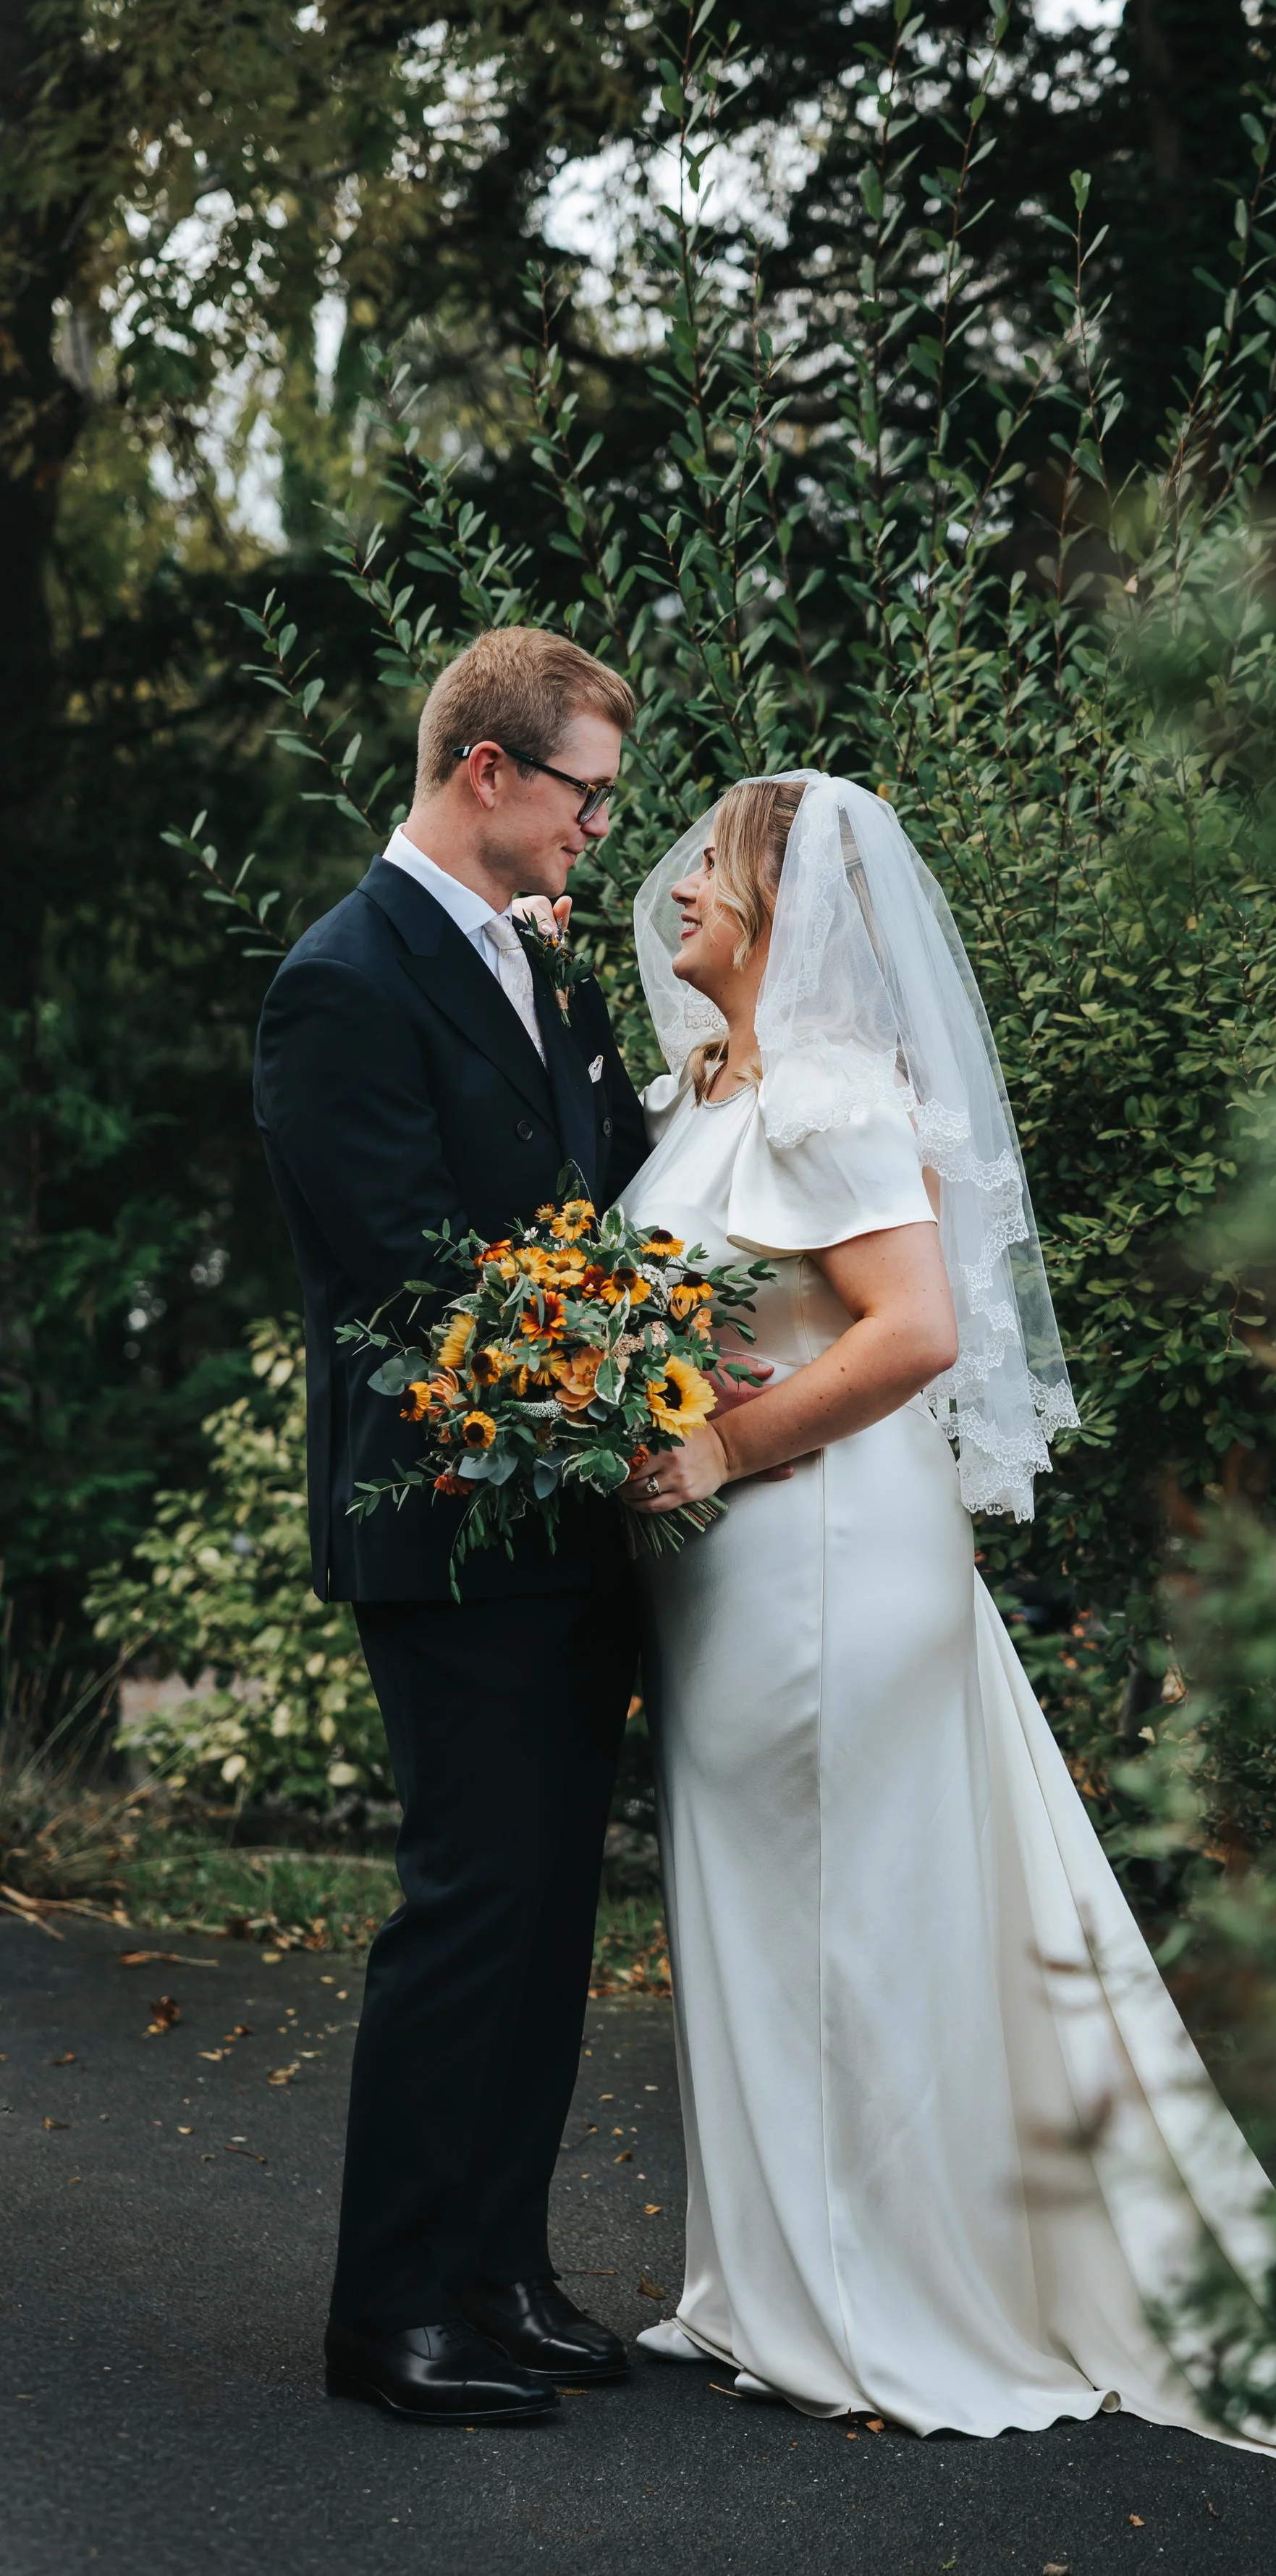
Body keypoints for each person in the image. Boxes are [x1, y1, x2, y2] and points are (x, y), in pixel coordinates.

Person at [612, 769, 1276, 2468]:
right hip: (738, 1563)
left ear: (778, 909)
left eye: (708, 873)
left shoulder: (830, 1096)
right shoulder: (720, 1093)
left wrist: (714, 1447)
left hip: (816, 1553)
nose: (674, 895)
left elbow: (914, 1334)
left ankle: (874, 2300)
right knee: (760, 1908)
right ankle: (767, 2283)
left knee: (846, 1923)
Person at [253, 628, 650, 2425]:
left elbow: (613, 1197)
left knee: (553, 1905)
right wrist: (625, 1382)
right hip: (447, 1526)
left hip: (572, 1528)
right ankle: (392, 2309)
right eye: (581, 792)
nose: (596, 829)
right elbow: (407, 1270)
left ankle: (502, 2273)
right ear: (487, 770)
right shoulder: (342, 980)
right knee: (469, 1907)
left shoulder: (547, 974)